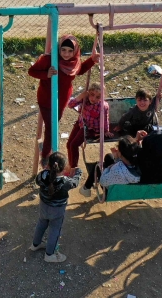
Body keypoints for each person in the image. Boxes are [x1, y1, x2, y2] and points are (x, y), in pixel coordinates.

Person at [28, 35, 97, 167]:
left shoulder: (74, 61)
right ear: (58, 49)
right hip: (46, 99)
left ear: (75, 51)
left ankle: (48, 152)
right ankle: (46, 156)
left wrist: (92, 60)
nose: (66, 54)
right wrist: (46, 74)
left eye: (70, 51)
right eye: (63, 50)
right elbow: (32, 71)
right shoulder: (50, 59)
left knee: (54, 124)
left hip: (62, 100)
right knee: (51, 127)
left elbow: (79, 70)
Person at [29, 152, 79, 263]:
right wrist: (78, 173)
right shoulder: (65, 182)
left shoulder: (43, 175)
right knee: (55, 230)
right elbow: (74, 183)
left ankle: (35, 244)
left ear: (48, 165)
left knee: (41, 223)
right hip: (57, 211)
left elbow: (38, 181)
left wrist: (46, 170)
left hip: (43, 206)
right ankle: (49, 254)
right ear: (64, 168)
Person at [66, 82, 112, 193]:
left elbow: (105, 120)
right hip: (81, 123)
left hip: (90, 129)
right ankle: (72, 165)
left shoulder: (103, 106)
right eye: (91, 95)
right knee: (68, 144)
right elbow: (70, 105)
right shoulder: (85, 99)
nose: (93, 98)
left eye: (97, 97)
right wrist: (81, 96)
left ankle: (74, 169)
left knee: (73, 145)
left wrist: (105, 131)